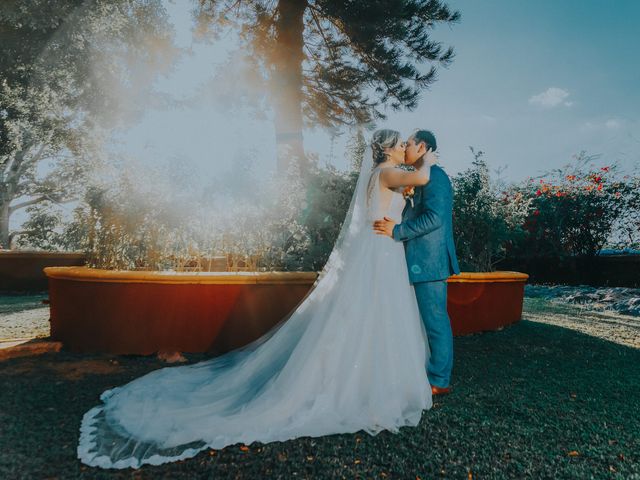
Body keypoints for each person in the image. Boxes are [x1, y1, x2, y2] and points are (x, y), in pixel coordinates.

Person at [78, 129, 438, 470]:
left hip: (379, 249)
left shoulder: (381, 173)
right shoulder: (389, 171)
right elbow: (420, 179)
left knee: (369, 313)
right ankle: (366, 386)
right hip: (380, 252)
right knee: (376, 311)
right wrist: (428, 158)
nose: (404, 146)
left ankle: (365, 379)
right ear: (388, 148)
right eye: (400, 142)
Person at [373, 130, 460, 394]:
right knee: (422, 321)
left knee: (435, 321)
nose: (406, 147)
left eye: (409, 143)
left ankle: (439, 380)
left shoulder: (437, 177)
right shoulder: (419, 175)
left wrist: (397, 231)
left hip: (429, 261)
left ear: (422, 147)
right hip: (414, 260)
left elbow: (435, 218)